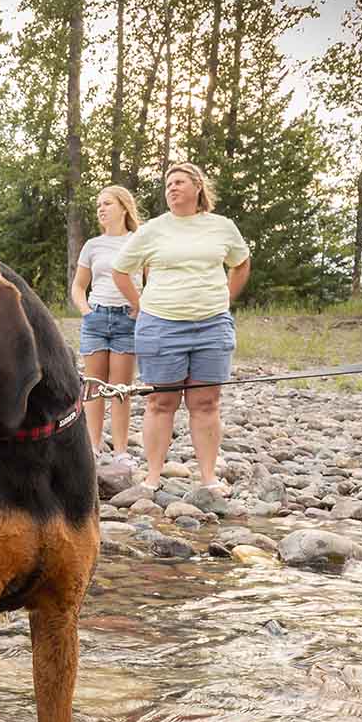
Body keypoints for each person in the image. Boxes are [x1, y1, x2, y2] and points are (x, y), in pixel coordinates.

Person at [111, 162, 251, 493]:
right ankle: (152, 478)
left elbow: (241, 263)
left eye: (179, 182)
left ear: (197, 187)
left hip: (212, 327)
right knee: (161, 403)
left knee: (206, 403)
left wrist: (226, 298)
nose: (172, 188)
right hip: (161, 326)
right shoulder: (153, 230)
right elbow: (120, 271)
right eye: (168, 184)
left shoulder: (222, 227)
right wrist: (140, 303)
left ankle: (208, 478)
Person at [70, 185, 142, 456]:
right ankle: (92, 447)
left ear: (123, 207)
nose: (101, 208)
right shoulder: (92, 245)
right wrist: (86, 311)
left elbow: (151, 281)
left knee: (120, 389)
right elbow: (78, 286)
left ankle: (121, 451)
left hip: (127, 320)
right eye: (99, 204)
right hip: (96, 318)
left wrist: (139, 309)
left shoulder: (139, 241)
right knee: (94, 387)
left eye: (107, 203)